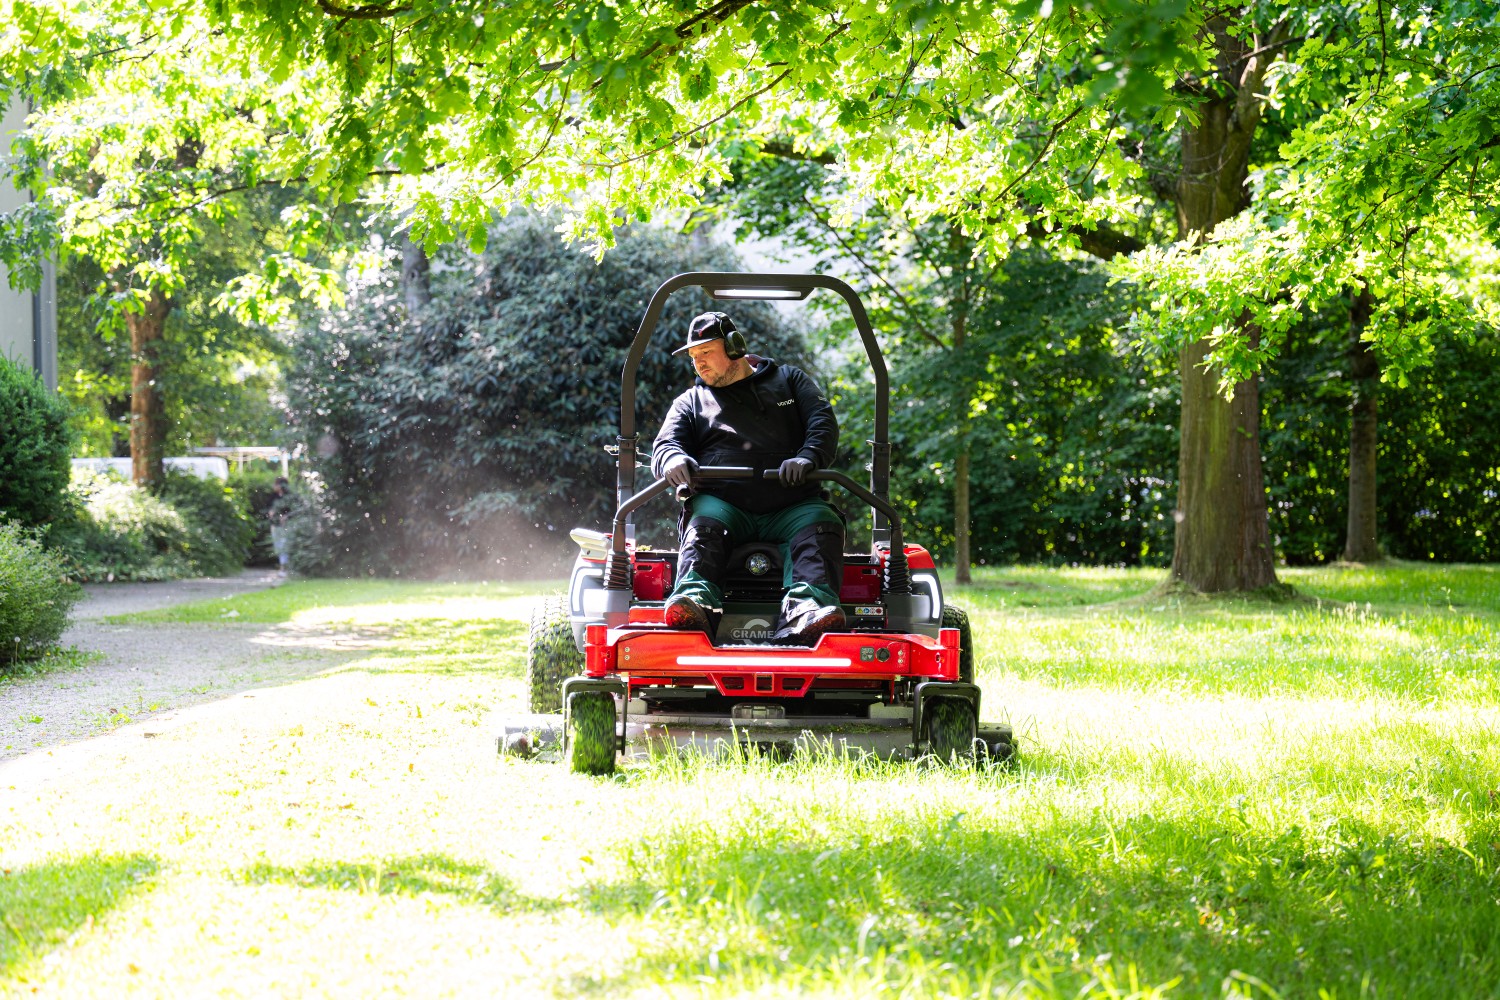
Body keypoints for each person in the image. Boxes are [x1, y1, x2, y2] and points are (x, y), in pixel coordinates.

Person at [651, 311, 846, 645]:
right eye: (694, 357)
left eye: (707, 353)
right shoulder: (691, 402)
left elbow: (822, 423)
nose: (699, 364)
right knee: (703, 524)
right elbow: (666, 443)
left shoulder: (789, 382)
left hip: (791, 502)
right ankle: (694, 603)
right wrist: (672, 459)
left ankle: (810, 609)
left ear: (734, 347)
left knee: (821, 521)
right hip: (724, 504)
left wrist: (807, 456)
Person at [267, 476, 293, 576]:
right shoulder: (273, 496)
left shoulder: (288, 497)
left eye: (276, 484)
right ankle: (283, 567)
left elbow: (291, 510)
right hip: (275, 525)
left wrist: (286, 517)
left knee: (284, 545)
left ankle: (284, 568)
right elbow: (268, 508)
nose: (274, 486)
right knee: (278, 546)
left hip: (286, 526)